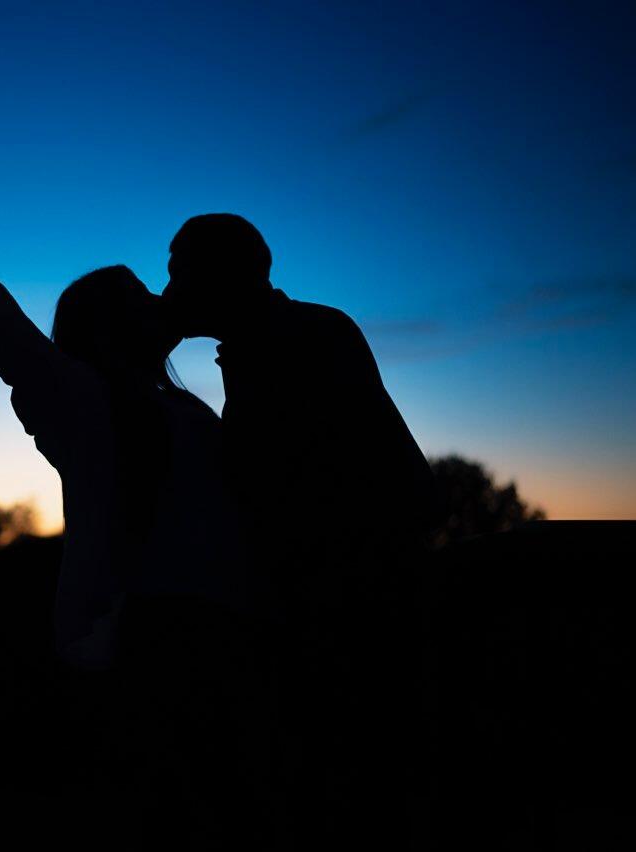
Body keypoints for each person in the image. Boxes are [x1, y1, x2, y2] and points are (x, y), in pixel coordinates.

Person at [0, 238, 268, 845]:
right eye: (141, 297)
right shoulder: (78, 400)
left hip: (225, 634)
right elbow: (9, 338)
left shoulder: (189, 411)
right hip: (141, 638)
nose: (160, 300)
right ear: (110, 327)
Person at [161, 213, 437, 846]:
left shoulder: (301, 340)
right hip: (332, 614)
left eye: (179, 271)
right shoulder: (279, 340)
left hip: (352, 619)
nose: (168, 286)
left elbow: (322, 488)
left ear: (222, 276)